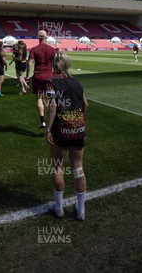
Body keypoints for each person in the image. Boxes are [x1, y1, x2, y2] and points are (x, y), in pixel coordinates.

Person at [45, 52, 88, 221]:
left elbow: (52, 105)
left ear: (54, 65)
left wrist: (48, 128)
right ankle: (81, 210)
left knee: (58, 167)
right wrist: (79, 119)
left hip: (60, 132)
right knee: (78, 168)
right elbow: (85, 104)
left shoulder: (51, 83)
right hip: (78, 130)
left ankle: (59, 208)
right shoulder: (77, 81)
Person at [26, 30, 57, 128]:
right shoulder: (52, 49)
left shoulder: (34, 49)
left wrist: (27, 76)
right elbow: (56, 63)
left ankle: (42, 121)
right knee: (50, 100)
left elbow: (29, 63)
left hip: (38, 76)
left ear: (38, 37)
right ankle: (51, 122)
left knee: (39, 98)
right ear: (46, 37)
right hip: (50, 77)